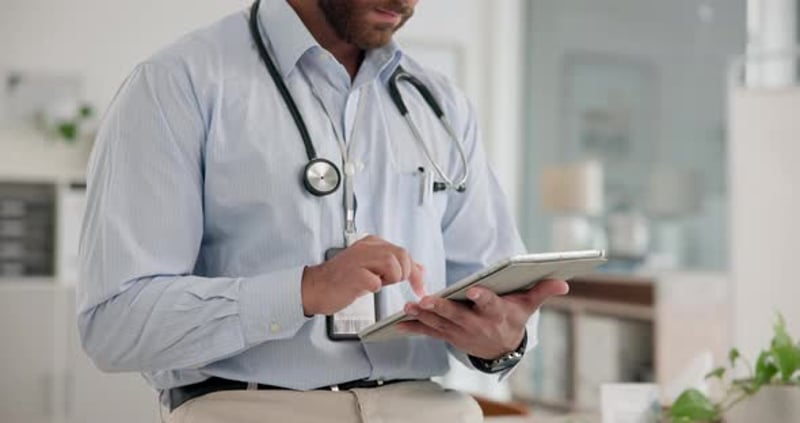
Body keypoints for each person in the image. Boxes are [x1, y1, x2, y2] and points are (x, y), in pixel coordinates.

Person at [77, 0, 569, 422]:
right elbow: (116, 326)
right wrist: (303, 291)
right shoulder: (177, 84)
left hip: (428, 408)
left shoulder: (439, 103)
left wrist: (501, 341)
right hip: (252, 411)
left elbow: (491, 287)